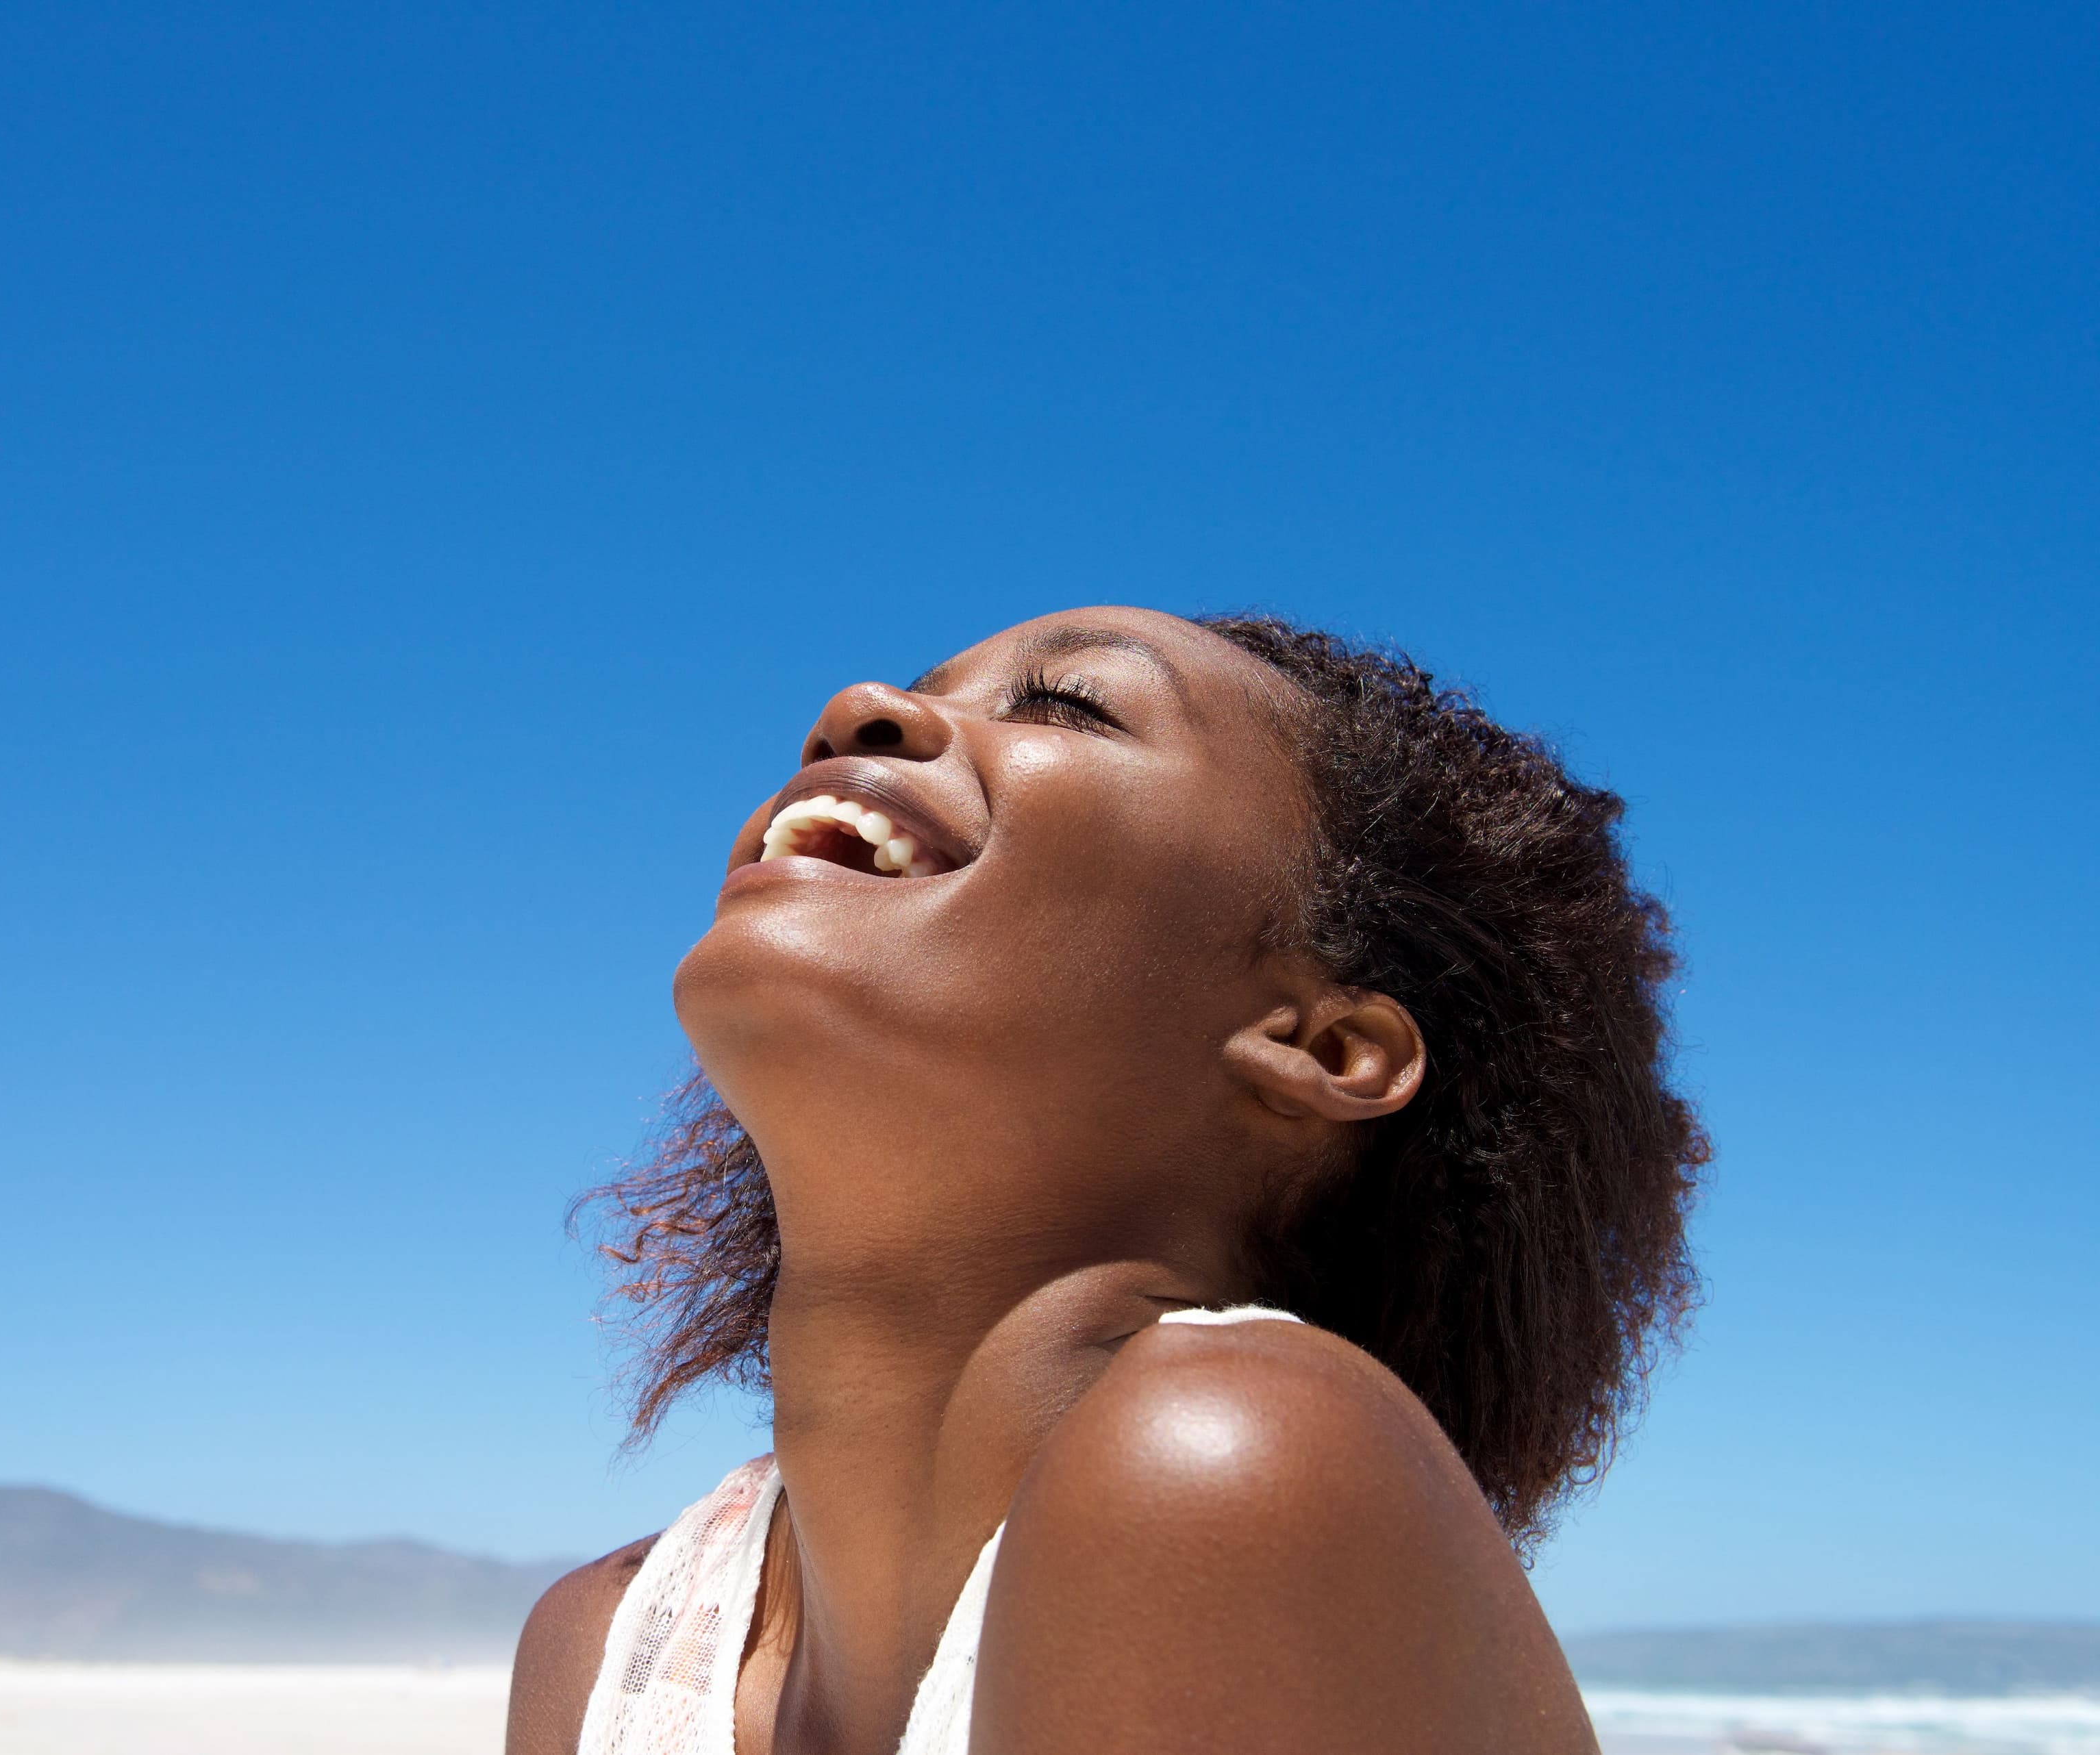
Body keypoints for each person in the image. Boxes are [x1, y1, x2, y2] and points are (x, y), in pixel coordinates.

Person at [506, 607, 1706, 1755]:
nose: (854, 710)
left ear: (1322, 1049)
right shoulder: (613, 1642)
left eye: (1073, 706)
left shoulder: (1224, 1460)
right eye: (917, 692)